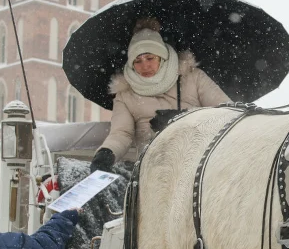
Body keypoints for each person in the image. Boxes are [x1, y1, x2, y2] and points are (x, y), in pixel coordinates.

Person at [89, 19, 232, 172]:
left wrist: (183, 118)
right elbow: (122, 133)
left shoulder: (193, 77)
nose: (145, 66)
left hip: (198, 162)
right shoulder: (125, 94)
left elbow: (227, 113)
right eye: (137, 61)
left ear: (162, 57)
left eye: (150, 58)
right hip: (153, 166)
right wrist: (106, 153)